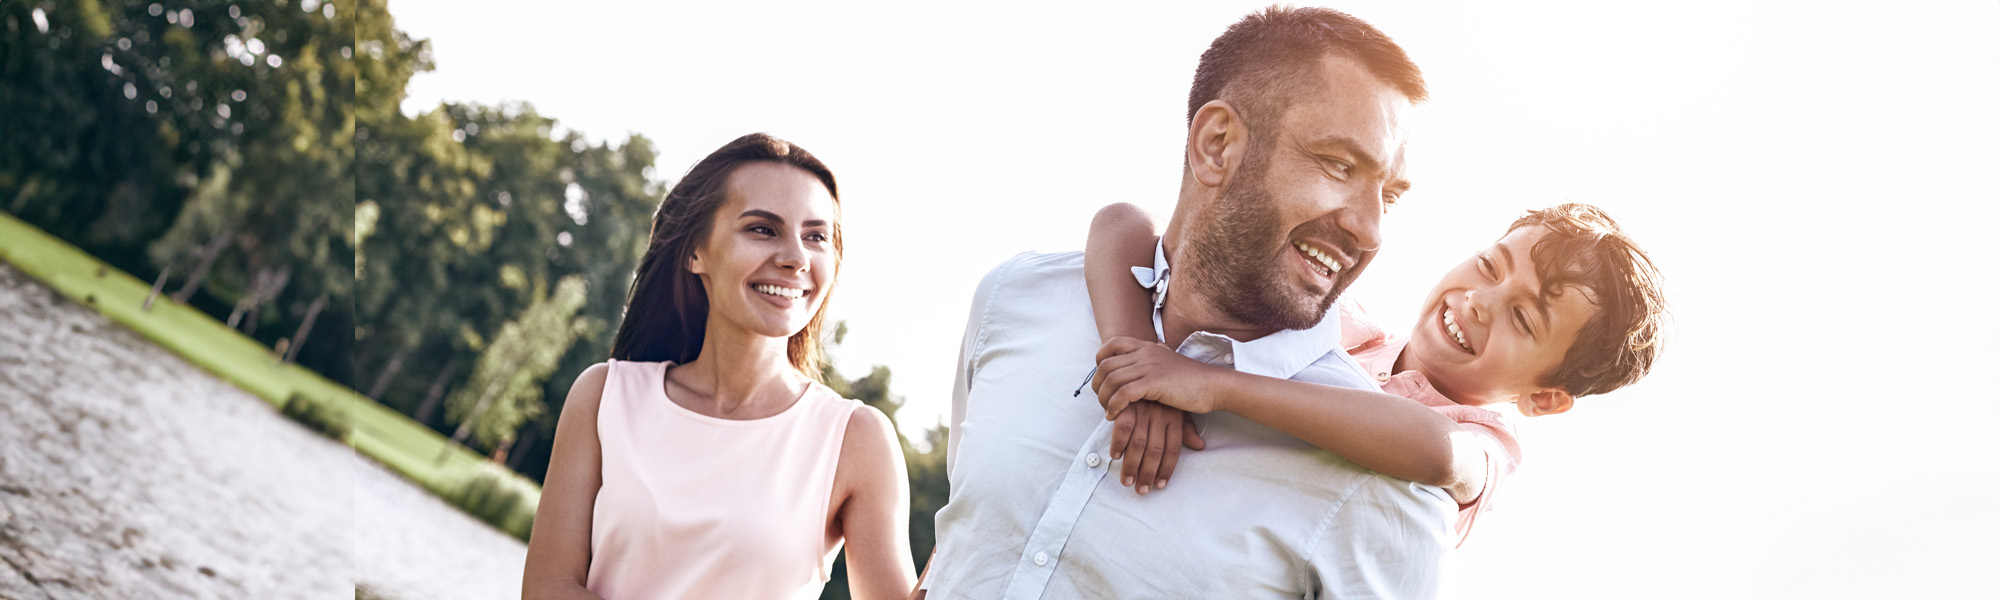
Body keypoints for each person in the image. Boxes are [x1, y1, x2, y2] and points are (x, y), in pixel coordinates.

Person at [917, 7, 1454, 598]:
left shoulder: (1383, 486)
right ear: (1217, 144)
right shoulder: (1015, 298)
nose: (1370, 229)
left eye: (1391, 197)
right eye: (1339, 165)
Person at [1084, 201, 1667, 547]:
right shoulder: (1340, 323)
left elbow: (1437, 451)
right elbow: (1122, 225)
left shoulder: (1483, 442)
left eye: (1522, 317)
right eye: (1490, 265)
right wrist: (1140, 368)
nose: (1480, 301)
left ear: (1543, 397)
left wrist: (1211, 385)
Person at [521, 133, 916, 600]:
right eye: (763, 229)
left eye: (816, 237)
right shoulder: (604, 395)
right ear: (696, 252)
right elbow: (547, 590)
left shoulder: (857, 439)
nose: (795, 258)